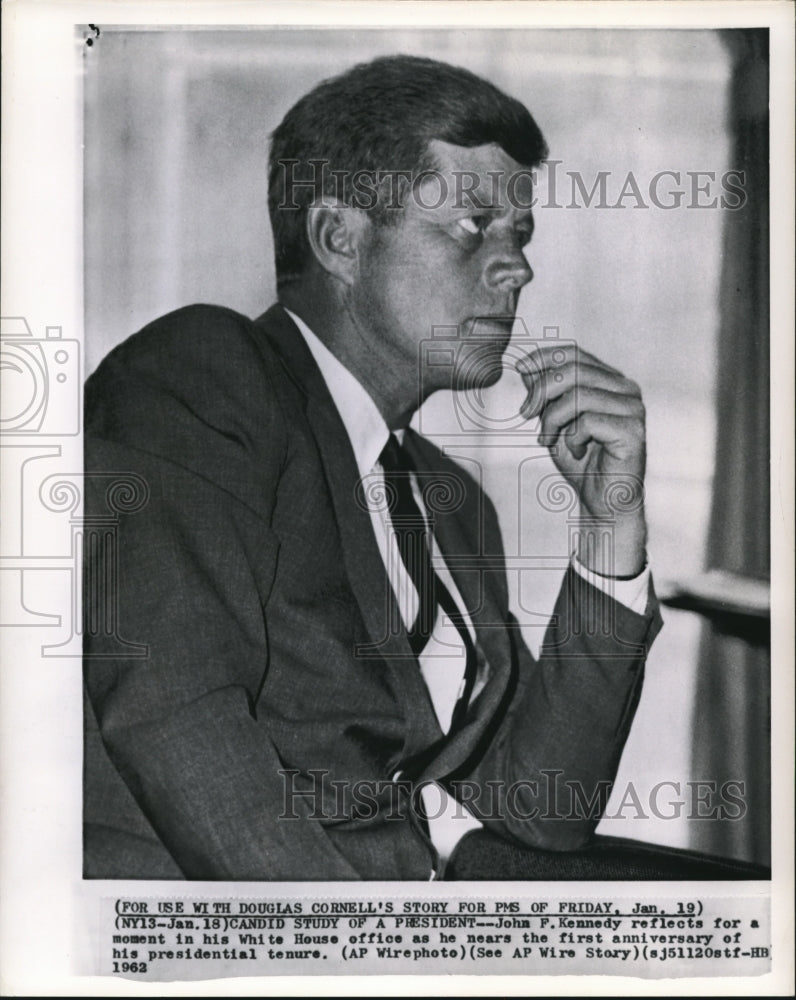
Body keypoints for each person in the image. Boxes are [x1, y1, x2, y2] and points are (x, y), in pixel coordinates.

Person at [83, 54, 662, 881]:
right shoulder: (204, 377)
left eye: (520, 234)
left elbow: (538, 815)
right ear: (339, 240)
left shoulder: (451, 500)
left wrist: (610, 527)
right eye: (472, 225)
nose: (517, 268)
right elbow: (172, 714)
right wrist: (354, 953)